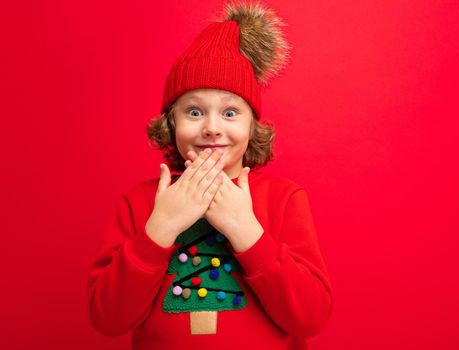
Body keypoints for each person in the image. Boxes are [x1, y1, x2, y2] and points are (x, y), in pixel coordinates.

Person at [87, 1, 333, 349]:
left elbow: (311, 317)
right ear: (171, 123)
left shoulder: (284, 199)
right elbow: (107, 320)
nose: (212, 128)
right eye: (194, 111)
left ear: (252, 125)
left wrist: (246, 231)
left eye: (230, 112)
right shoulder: (138, 202)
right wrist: (160, 228)